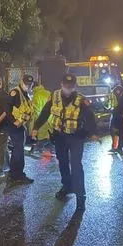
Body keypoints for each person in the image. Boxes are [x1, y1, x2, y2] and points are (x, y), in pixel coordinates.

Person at [31, 74, 98, 211]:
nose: (68, 88)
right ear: (61, 84)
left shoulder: (80, 99)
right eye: (66, 86)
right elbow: (45, 112)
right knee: (62, 163)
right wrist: (36, 128)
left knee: (76, 165)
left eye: (71, 86)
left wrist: (92, 133)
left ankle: (80, 196)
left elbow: (90, 116)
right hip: (60, 136)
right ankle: (67, 187)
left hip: (76, 136)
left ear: (74, 86)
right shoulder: (54, 97)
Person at [6, 74, 35, 184]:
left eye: (30, 84)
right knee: (18, 151)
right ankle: (16, 175)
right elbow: (7, 108)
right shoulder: (15, 92)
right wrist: (13, 121)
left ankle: (15, 174)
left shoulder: (25, 94)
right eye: (26, 83)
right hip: (15, 127)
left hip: (20, 126)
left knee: (18, 151)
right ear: (21, 82)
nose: (28, 85)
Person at [30, 83, 52, 154]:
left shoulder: (36, 96)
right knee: (49, 136)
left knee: (41, 137)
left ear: (33, 88)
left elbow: (35, 112)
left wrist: (33, 126)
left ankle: (38, 150)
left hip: (41, 121)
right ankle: (48, 150)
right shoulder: (48, 92)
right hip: (51, 119)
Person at [106, 84, 123, 154]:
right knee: (114, 132)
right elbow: (108, 104)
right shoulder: (113, 94)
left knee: (119, 132)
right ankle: (115, 147)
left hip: (120, 115)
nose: (118, 91)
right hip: (115, 115)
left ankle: (119, 148)